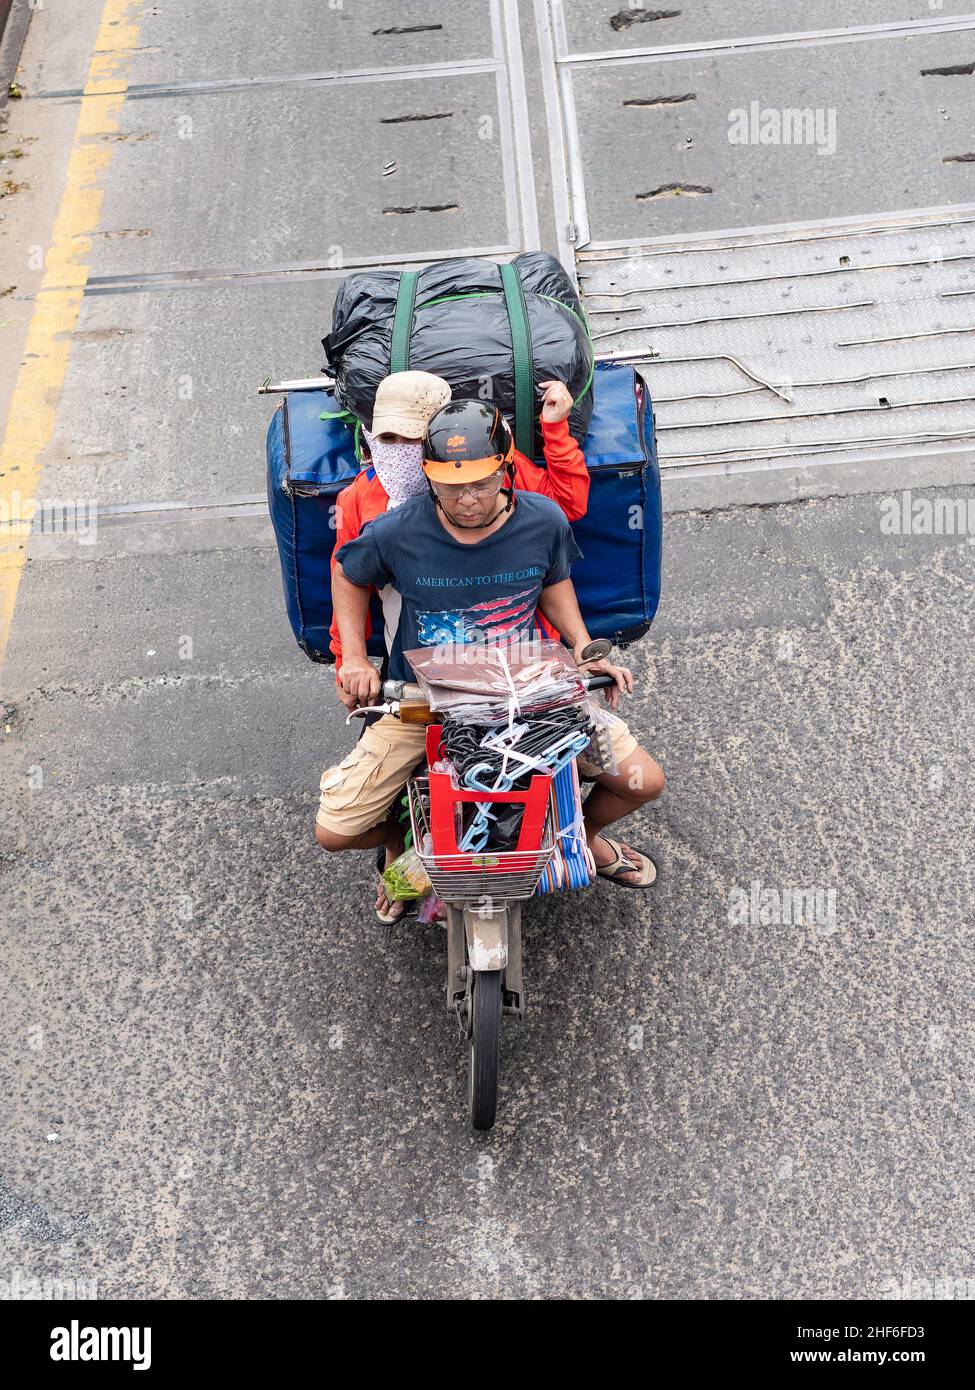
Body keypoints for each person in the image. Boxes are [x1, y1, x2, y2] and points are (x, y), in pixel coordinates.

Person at [316, 398, 665, 921]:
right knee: (335, 831)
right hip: (425, 702)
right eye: (451, 486)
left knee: (643, 781)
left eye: (481, 482)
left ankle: (580, 837)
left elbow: (554, 582)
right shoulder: (397, 531)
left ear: (505, 467)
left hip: (527, 695)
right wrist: (356, 660)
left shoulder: (542, 520)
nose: (468, 498)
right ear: (429, 477)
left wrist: (584, 650)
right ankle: (397, 845)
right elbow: (348, 575)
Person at [329, 369, 591, 700]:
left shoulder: (491, 470)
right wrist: (350, 663)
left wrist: (554, 428)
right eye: (388, 439)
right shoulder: (361, 501)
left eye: (412, 438)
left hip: (521, 669)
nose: (468, 499)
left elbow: (561, 514)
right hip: (422, 676)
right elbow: (347, 578)